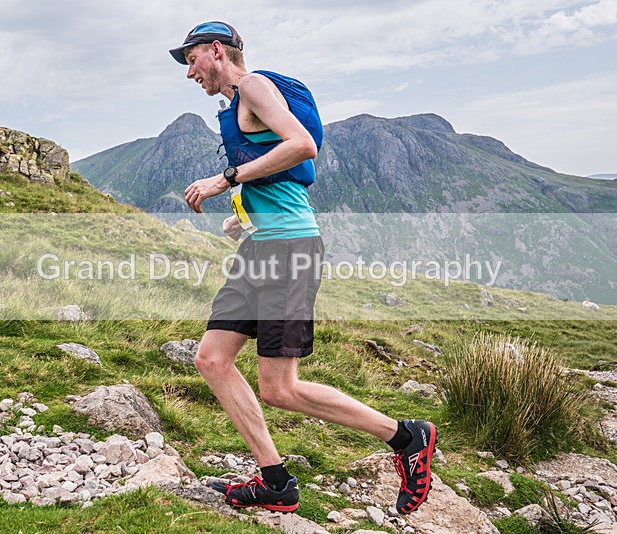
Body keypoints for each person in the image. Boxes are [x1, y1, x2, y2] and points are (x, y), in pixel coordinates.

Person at [169, 21, 436, 515]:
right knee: (211, 359)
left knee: (279, 388)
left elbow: (300, 146)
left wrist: (223, 179)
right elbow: (279, 174)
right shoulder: (236, 102)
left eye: (191, 60)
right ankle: (275, 482)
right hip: (262, 246)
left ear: (215, 51)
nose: (189, 73)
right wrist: (243, 214)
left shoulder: (252, 86)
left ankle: (406, 437)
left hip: (289, 252)